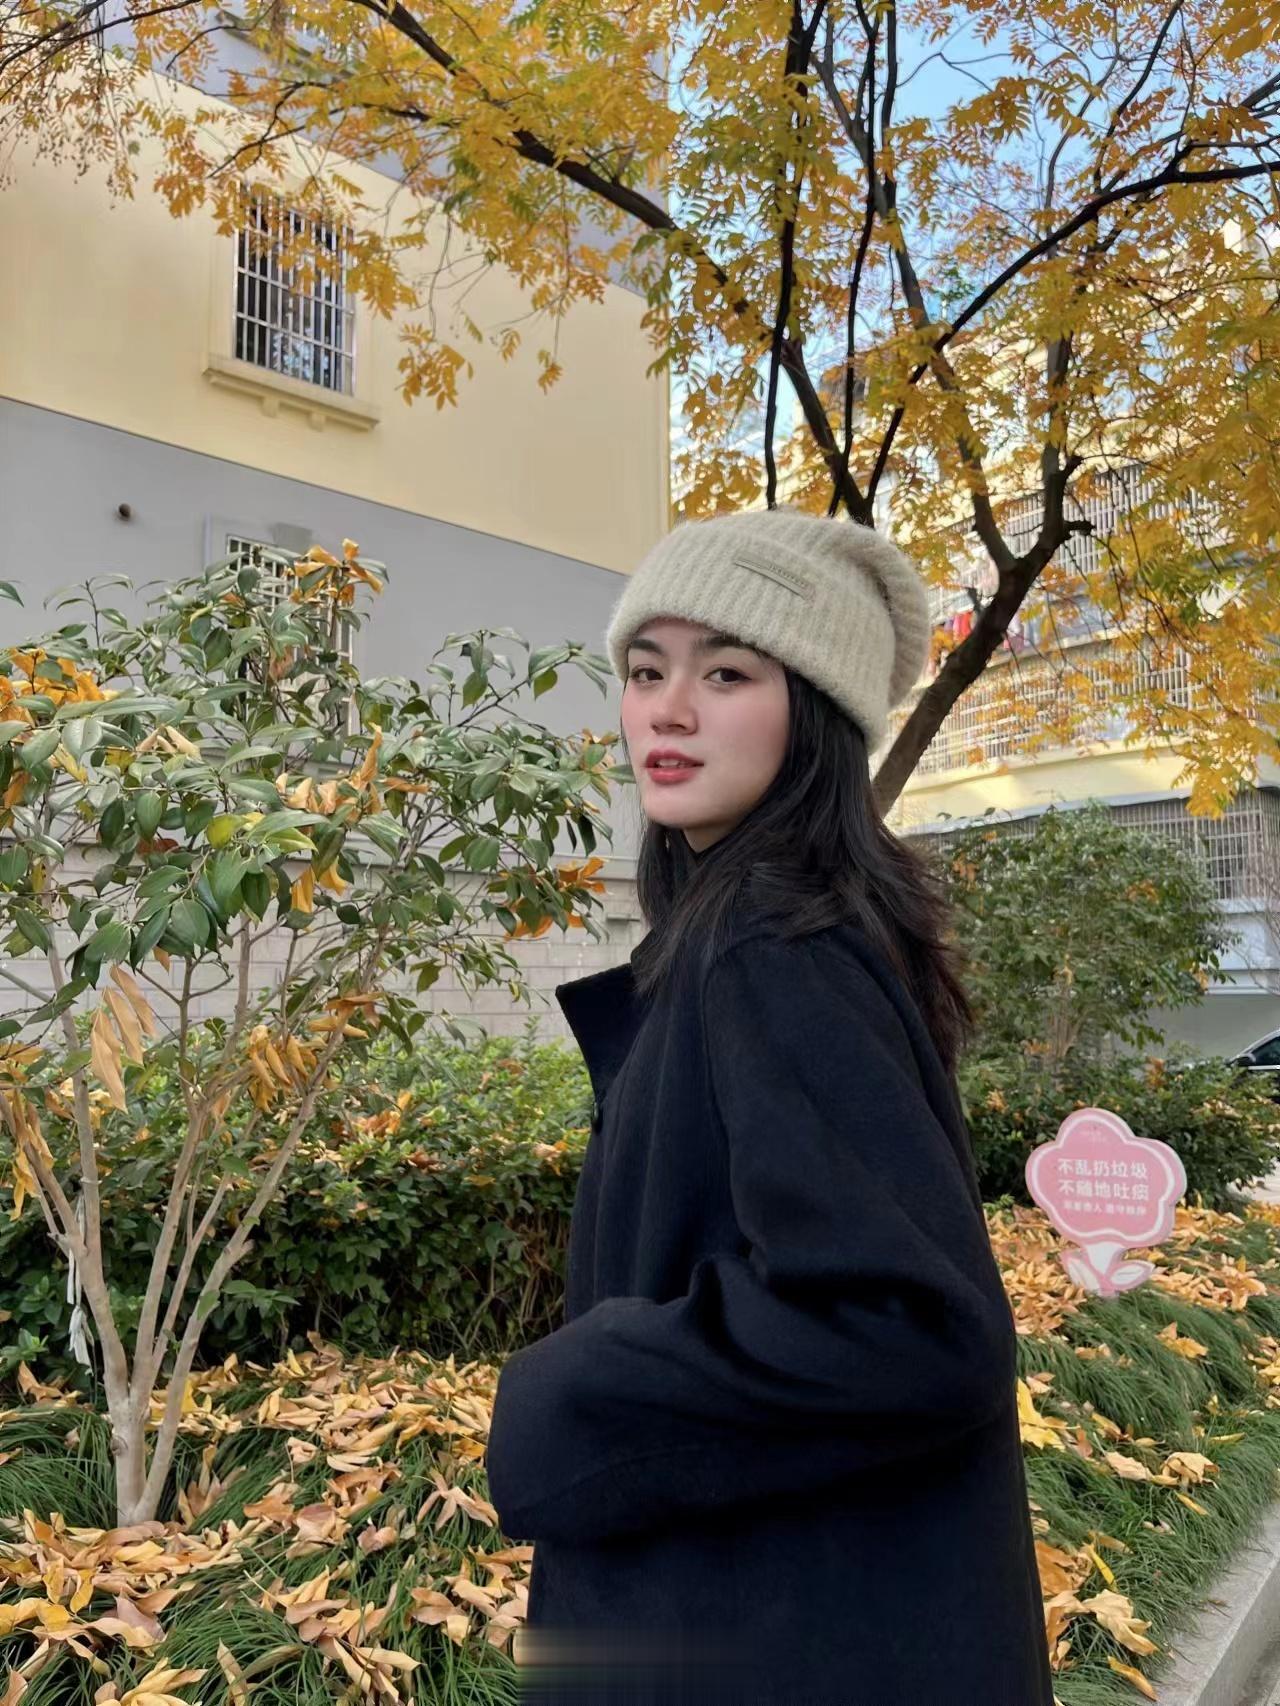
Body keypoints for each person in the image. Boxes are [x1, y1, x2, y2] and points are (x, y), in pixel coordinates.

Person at [484, 505, 1054, 1705]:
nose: (666, 709)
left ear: (813, 716)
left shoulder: (769, 941)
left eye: (726, 672)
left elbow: (906, 1322)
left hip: (758, 1624)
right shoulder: (761, 923)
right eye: (646, 670)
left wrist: (573, 1387)